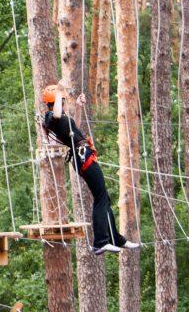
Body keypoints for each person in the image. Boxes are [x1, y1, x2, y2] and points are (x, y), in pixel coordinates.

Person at [40, 84, 139, 254]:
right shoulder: (51, 117)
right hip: (82, 156)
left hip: (84, 154)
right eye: (62, 100)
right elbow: (56, 113)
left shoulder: (62, 118)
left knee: (104, 197)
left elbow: (75, 126)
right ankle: (100, 242)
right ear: (57, 100)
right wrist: (59, 91)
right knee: (101, 197)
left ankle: (116, 239)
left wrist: (78, 107)